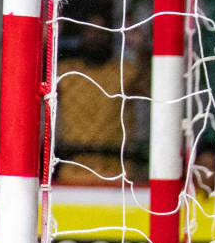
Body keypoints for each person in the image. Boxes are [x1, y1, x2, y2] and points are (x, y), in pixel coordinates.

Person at [54, 14, 147, 185]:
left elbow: (152, 88)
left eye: (101, 32)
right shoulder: (65, 72)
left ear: (110, 37)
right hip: (72, 173)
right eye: (90, 31)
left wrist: (140, 48)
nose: (95, 36)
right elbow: (29, 89)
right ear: (81, 37)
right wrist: (46, 43)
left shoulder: (125, 71)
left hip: (116, 174)